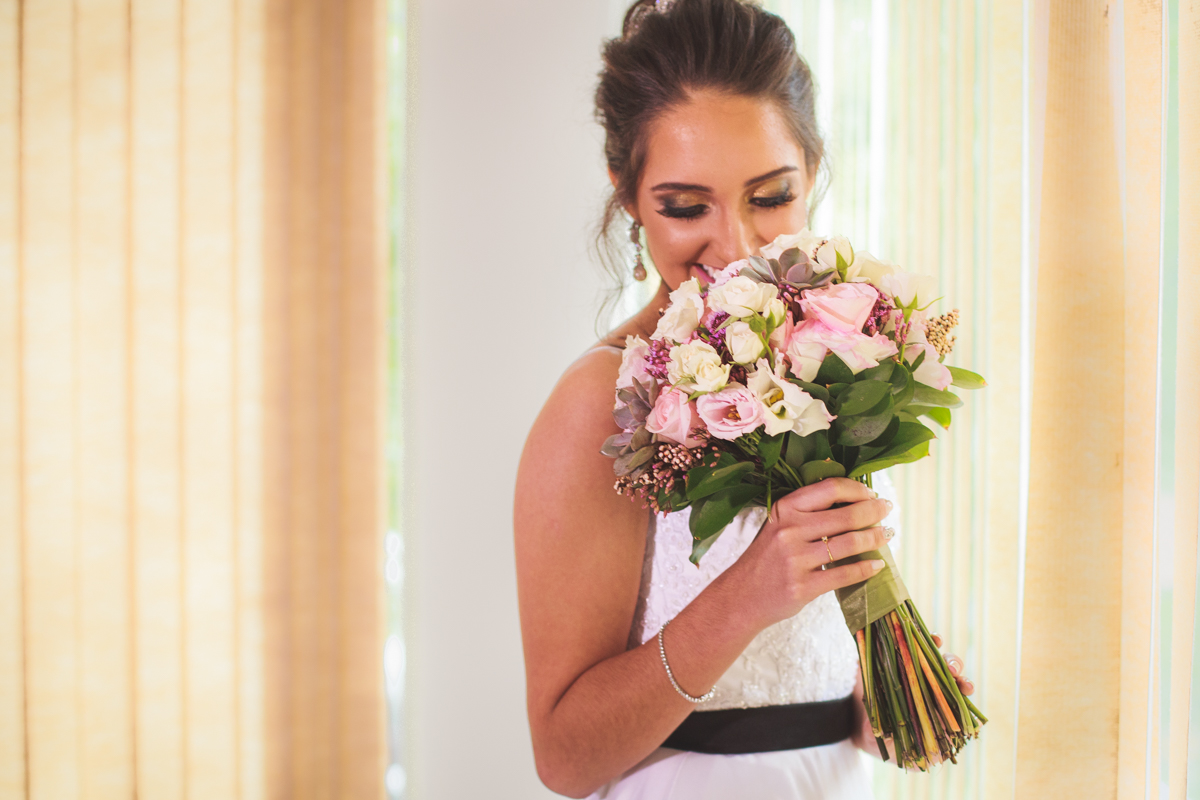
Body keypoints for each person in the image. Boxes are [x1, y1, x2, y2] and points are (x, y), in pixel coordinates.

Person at [514, 1, 974, 797]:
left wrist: (878, 703)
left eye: (770, 196)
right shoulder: (599, 402)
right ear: (629, 196)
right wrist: (747, 597)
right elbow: (565, 757)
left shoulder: (830, 355)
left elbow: (786, 676)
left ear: (812, 173)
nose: (735, 246)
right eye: (686, 206)